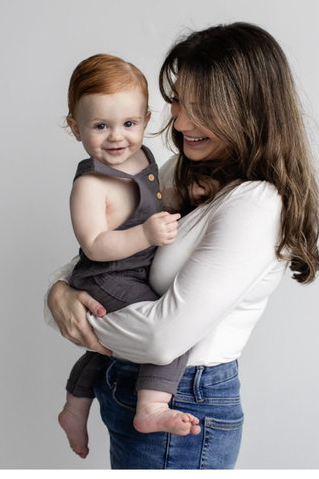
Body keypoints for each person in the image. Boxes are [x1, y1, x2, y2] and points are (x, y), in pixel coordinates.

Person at [46, 23, 319, 468]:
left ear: (247, 110)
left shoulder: (257, 205)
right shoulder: (182, 170)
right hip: (130, 387)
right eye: (178, 101)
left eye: (201, 108)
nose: (179, 121)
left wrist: (69, 313)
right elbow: (111, 252)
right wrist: (59, 289)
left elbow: (162, 339)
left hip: (185, 402)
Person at [52, 54, 201, 457]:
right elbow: (94, 245)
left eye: (129, 124)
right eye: (100, 126)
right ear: (74, 126)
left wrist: (184, 200)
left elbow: (155, 200)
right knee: (171, 326)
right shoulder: (90, 184)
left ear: (146, 119)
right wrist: (146, 233)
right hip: (105, 276)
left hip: (134, 273)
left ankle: (75, 405)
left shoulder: (145, 160)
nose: (117, 137)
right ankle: (151, 406)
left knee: (110, 350)